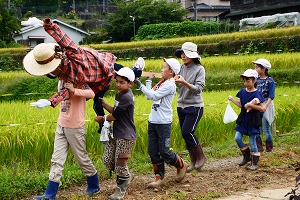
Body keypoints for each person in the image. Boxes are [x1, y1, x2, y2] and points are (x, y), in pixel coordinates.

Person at [23, 18, 144, 110]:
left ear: (57, 66)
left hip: (100, 64)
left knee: (123, 72)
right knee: (97, 105)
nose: (52, 72)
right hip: (98, 81)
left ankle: (137, 70)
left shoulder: (72, 54)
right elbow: (65, 91)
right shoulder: (68, 77)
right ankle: (104, 128)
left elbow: (63, 38)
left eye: (50, 70)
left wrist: (44, 24)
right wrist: (50, 102)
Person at [32, 81, 100, 199]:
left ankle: (94, 185)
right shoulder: (61, 80)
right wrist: (48, 102)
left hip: (75, 127)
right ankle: (49, 194)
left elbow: (91, 93)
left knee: (81, 158)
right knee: (56, 159)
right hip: (61, 124)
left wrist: (74, 90)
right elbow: (61, 95)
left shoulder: (80, 81)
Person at [134, 58, 188, 188]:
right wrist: (148, 81)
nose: (161, 69)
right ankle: (160, 178)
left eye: (164, 67)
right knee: (152, 151)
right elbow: (149, 95)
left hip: (163, 123)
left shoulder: (170, 85)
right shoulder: (161, 83)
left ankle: (181, 164)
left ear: (171, 72)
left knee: (164, 151)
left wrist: (139, 84)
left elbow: (153, 96)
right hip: (153, 121)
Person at [94, 67, 136, 200]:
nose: (118, 84)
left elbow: (116, 115)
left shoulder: (127, 97)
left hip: (125, 135)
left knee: (120, 164)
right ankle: (126, 176)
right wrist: (104, 104)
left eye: (122, 82)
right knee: (107, 160)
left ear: (130, 83)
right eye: (117, 81)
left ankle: (121, 190)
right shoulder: (119, 94)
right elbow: (115, 110)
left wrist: (103, 118)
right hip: (115, 133)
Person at [174, 42, 206, 173]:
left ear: (193, 55)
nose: (183, 56)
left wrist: (184, 82)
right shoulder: (180, 68)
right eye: (182, 53)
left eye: (186, 54)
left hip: (195, 106)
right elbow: (176, 84)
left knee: (188, 132)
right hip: (181, 106)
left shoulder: (200, 69)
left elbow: (198, 89)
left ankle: (201, 156)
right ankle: (193, 162)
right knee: (185, 134)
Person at [228, 69, 265, 170]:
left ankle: (254, 163)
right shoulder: (242, 92)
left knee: (252, 141)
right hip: (243, 119)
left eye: (248, 81)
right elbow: (241, 105)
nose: (245, 83)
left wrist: (251, 106)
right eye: (244, 81)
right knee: (237, 138)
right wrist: (232, 100)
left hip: (253, 120)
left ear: (254, 81)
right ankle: (246, 156)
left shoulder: (257, 94)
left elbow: (262, 108)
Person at [253, 58, 275, 153]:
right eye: (255, 67)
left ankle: (269, 149)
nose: (255, 70)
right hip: (257, 104)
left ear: (264, 68)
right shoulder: (256, 80)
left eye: (257, 67)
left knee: (266, 128)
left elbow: (271, 95)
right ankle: (259, 148)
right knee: (257, 127)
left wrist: (265, 106)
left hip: (267, 104)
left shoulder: (270, 81)